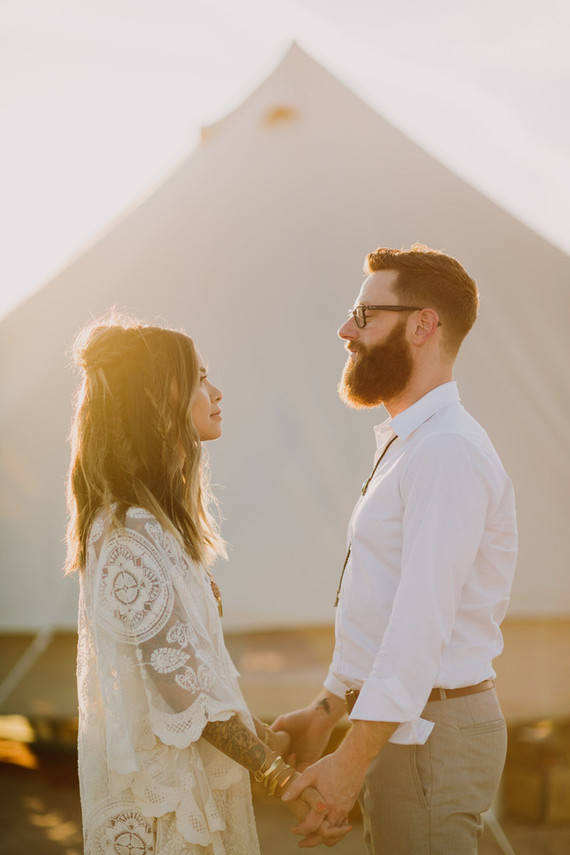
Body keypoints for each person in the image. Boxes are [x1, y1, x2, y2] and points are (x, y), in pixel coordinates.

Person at [65, 315, 350, 854]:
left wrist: (273, 737)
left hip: (190, 790)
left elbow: (196, 677)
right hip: (164, 810)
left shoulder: (156, 526)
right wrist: (286, 782)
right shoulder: (129, 535)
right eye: (199, 379)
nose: (216, 392)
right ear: (157, 399)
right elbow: (181, 691)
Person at [275, 245, 518, 854]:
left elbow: (419, 623)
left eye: (364, 314)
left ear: (423, 325)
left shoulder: (446, 451)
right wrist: (327, 709)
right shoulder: (411, 443)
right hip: (407, 725)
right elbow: (379, 602)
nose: (345, 330)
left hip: (430, 731)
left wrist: (349, 762)